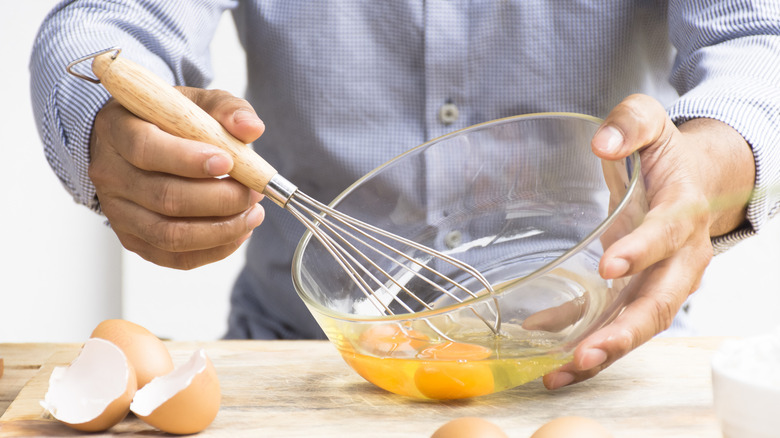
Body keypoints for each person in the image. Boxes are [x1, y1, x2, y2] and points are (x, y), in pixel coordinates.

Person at [31, 1, 779, 390]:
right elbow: (102, 22)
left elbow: (759, 37)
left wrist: (709, 165)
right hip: (311, 360)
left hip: (612, 348)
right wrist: (102, 133)